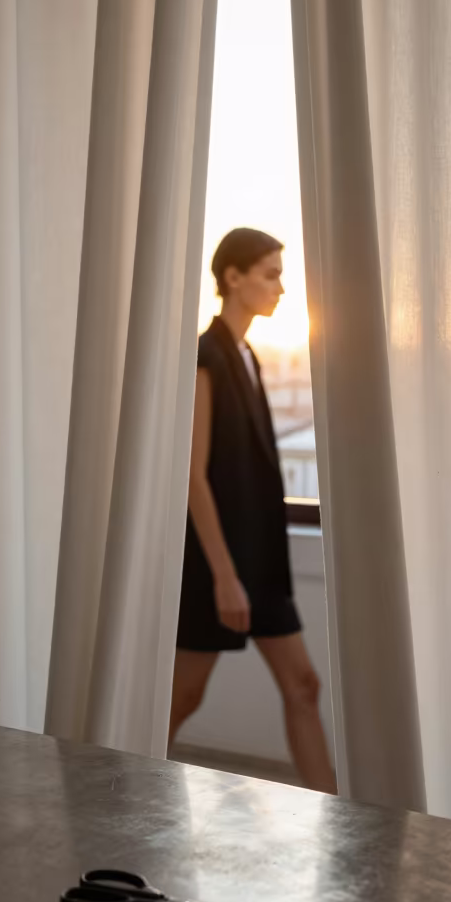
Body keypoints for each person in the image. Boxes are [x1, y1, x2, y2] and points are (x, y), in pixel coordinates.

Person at [169, 228, 337, 794]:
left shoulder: (246, 354)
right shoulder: (205, 355)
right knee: (180, 698)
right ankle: (115, 792)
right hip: (219, 564)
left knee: (304, 686)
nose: (282, 288)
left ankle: (341, 820)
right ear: (232, 277)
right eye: (270, 274)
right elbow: (193, 475)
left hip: (259, 564)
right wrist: (223, 577)